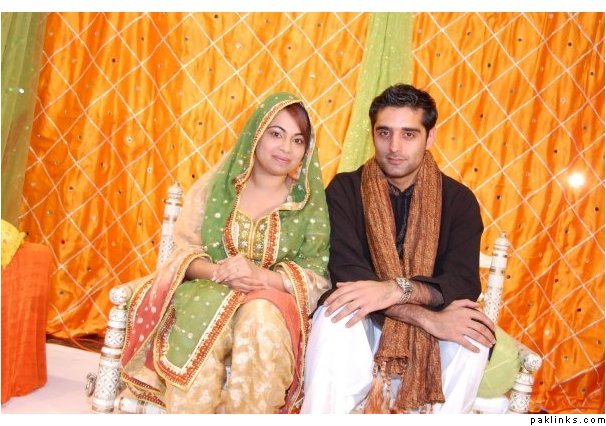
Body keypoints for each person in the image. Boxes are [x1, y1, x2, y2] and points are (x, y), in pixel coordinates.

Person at [119, 92, 330, 413]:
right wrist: (220, 272)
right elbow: (185, 252)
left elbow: (316, 274)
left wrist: (260, 277)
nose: (286, 148)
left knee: (261, 318)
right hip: (208, 291)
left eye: (297, 140)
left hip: (272, 303)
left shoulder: (307, 203)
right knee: (206, 320)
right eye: (276, 134)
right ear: (256, 134)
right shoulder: (216, 189)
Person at [301, 83, 496, 414]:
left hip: (429, 335)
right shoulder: (345, 190)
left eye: (408, 134)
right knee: (335, 315)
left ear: (429, 137)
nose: (394, 147)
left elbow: (462, 283)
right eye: (384, 133)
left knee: (475, 335)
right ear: (373, 134)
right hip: (366, 324)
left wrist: (394, 290)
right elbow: (348, 275)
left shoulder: (459, 200)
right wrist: (425, 317)